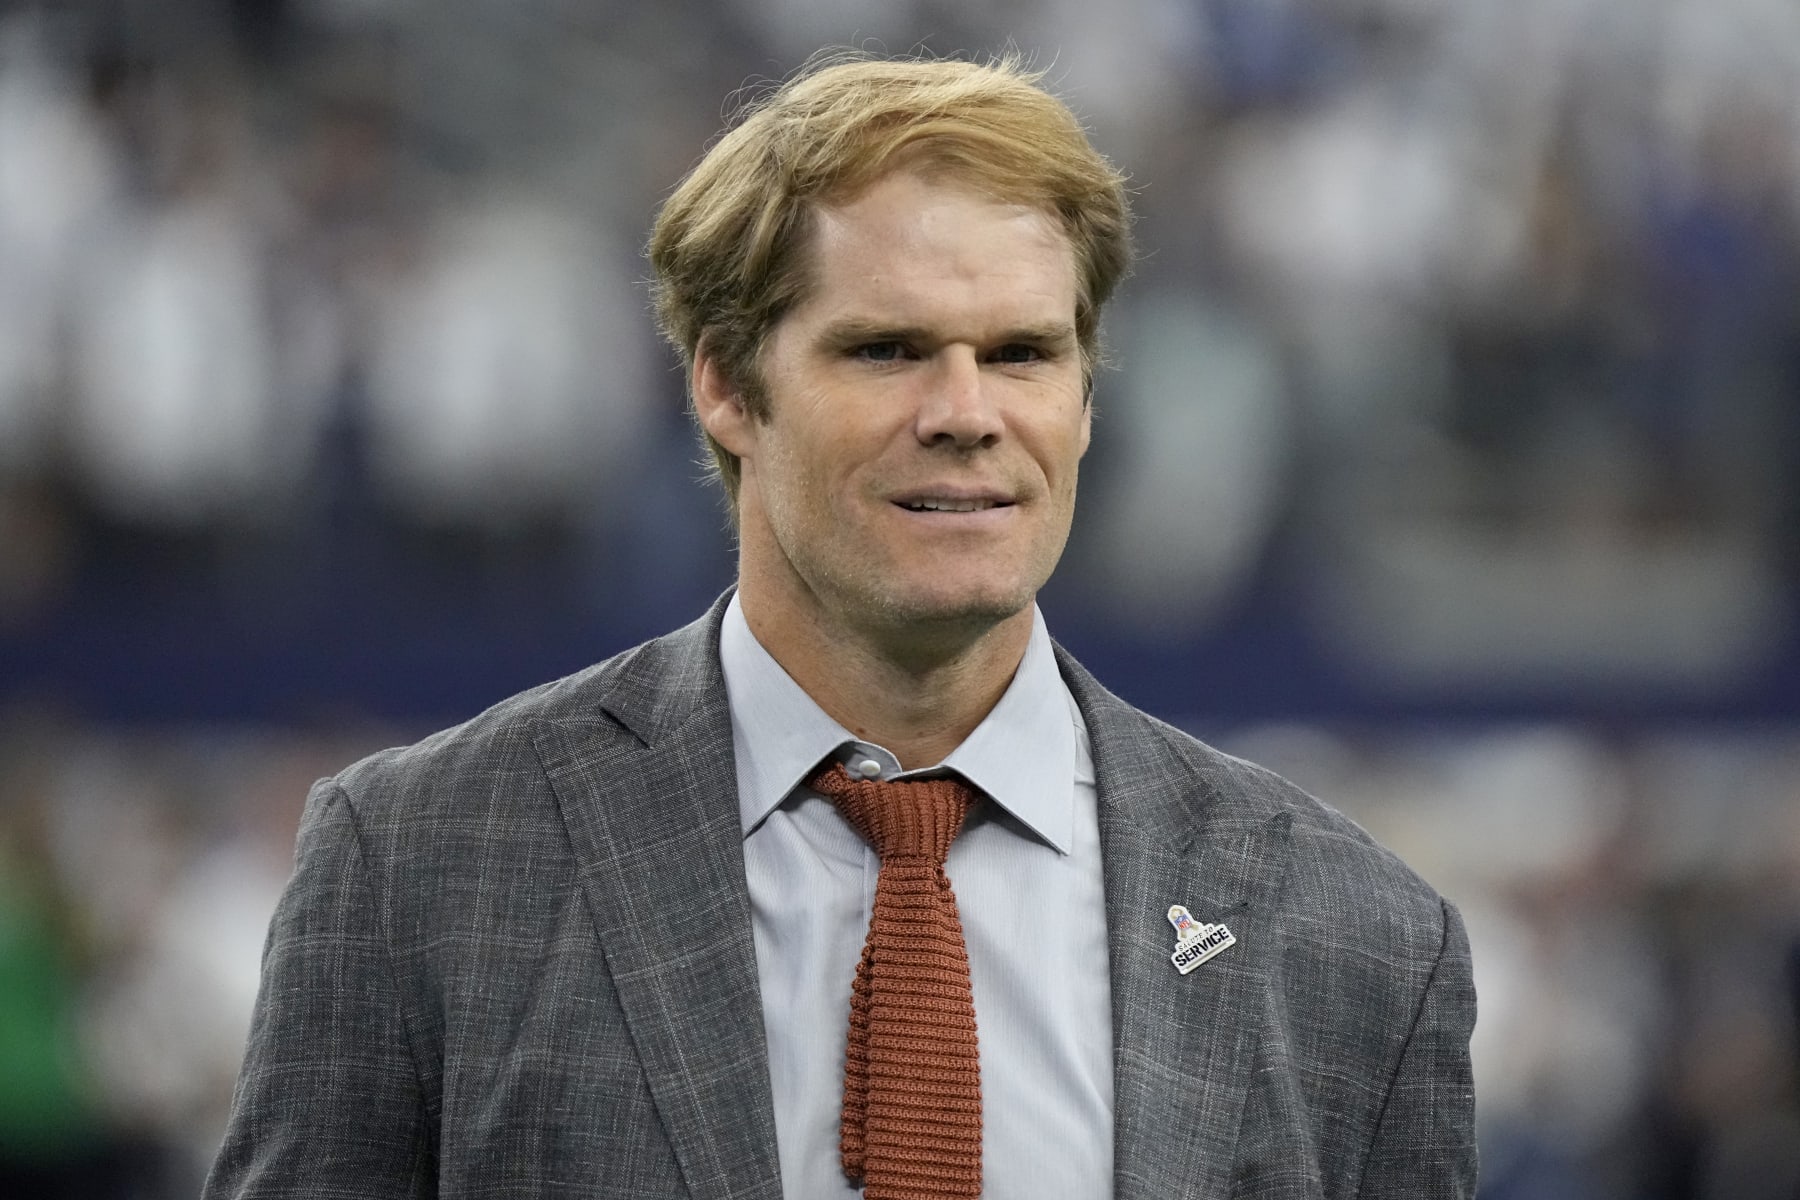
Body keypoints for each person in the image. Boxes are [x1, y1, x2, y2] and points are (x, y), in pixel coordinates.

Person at [206, 52, 1476, 1200]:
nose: (967, 410)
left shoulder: (1356, 936)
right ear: (724, 385)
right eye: (887, 350)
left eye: (1025, 353)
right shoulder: (419, 867)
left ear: (1087, 399)